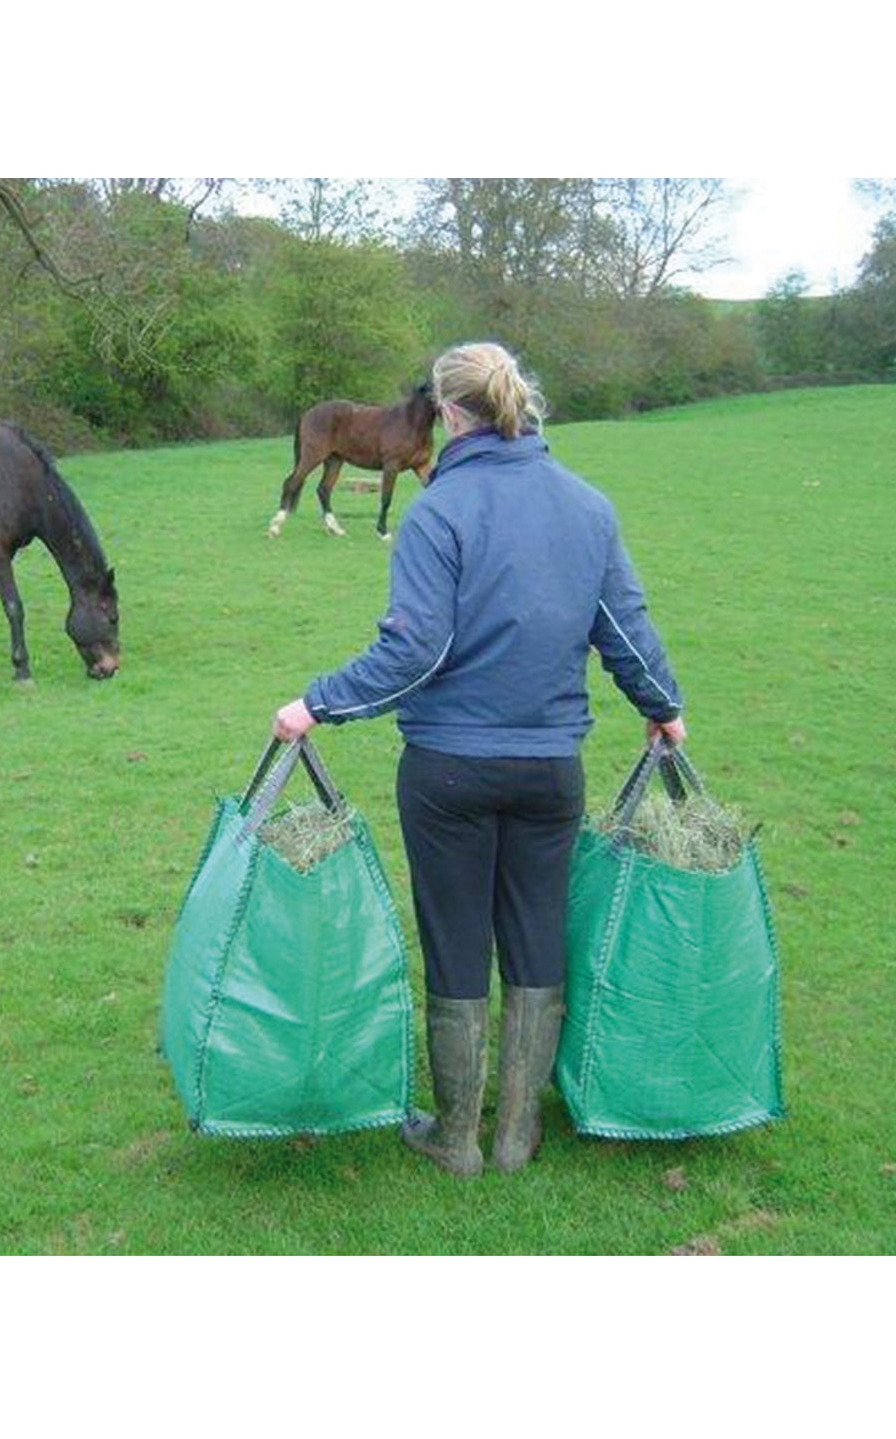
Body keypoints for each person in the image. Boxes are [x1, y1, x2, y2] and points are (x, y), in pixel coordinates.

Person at [273, 341, 686, 1179]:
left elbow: (413, 653)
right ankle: (515, 1134)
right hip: (548, 769)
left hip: (448, 772)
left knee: (457, 937)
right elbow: (626, 629)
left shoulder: (435, 511)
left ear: (448, 415)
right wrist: (662, 708)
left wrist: (314, 702)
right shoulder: (586, 505)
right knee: (535, 932)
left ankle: (457, 1135)